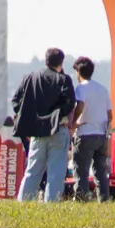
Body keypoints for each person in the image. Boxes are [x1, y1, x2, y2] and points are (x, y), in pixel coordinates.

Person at [10, 48, 78, 202]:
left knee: (32, 170)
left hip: (36, 131)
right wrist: (56, 115)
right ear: (61, 63)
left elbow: (15, 101)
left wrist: (28, 116)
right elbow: (70, 103)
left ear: (45, 60)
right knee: (56, 172)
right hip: (57, 130)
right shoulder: (64, 79)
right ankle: (51, 205)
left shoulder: (29, 78)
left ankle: (24, 203)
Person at [70, 57, 111, 200]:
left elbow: (80, 105)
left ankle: (81, 199)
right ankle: (104, 199)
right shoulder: (103, 89)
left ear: (78, 72)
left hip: (85, 133)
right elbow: (110, 114)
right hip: (101, 135)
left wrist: (74, 122)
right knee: (100, 171)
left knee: (81, 171)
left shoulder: (81, 87)